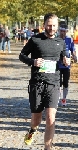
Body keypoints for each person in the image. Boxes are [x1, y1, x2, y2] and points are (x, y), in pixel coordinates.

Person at [19, 13, 70, 150]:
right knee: (36, 119)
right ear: (44, 25)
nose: (51, 28)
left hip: (54, 83)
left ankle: (47, 148)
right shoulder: (35, 40)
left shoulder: (61, 42)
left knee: (50, 117)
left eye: (54, 25)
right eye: (49, 25)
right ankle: (32, 130)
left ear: (57, 26)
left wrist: (67, 60)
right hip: (37, 83)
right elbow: (22, 55)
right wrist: (33, 61)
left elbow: (66, 57)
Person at [58, 24, 77, 106]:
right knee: (58, 83)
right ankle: (57, 99)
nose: (62, 33)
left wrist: (75, 57)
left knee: (65, 82)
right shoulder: (56, 39)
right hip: (57, 65)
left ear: (66, 31)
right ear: (59, 31)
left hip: (66, 65)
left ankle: (64, 98)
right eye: (61, 31)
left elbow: (72, 50)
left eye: (64, 31)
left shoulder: (69, 39)